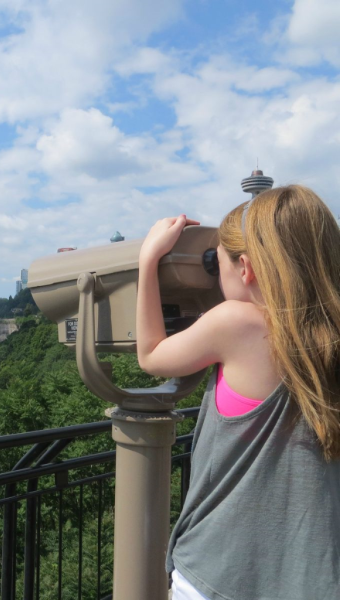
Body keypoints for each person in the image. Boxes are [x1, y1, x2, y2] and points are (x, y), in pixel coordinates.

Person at [135, 185, 340, 600]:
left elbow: (152, 356)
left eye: (218, 265)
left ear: (245, 267)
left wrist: (148, 261)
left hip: (221, 571)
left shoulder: (237, 324)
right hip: (315, 578)